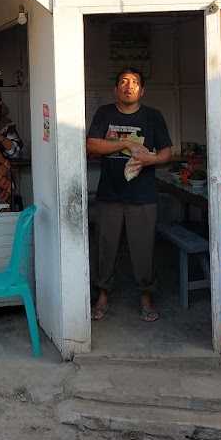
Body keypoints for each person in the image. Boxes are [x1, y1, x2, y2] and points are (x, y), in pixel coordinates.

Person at [86, 67, 172, 322]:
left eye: (134, 82)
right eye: (123, 81)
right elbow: (91, 144)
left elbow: (167, 153)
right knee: (105, 247)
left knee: (143, 248)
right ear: (116, 89)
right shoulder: (105, 114)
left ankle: (146, 297)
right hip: (109, 195)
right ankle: (102, 295)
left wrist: (150, 160)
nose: (128, 86)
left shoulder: (153, 117)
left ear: (142, 90)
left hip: (143, 196)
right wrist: (125, 143)